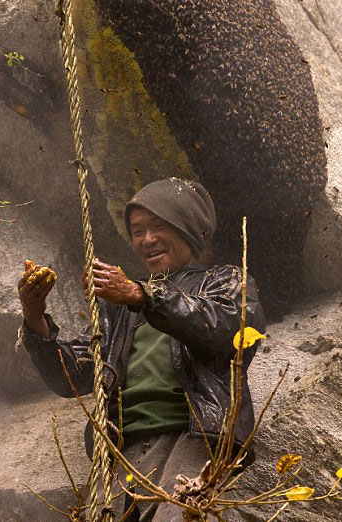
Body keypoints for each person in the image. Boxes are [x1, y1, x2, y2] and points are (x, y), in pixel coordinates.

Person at [17, 177, 265, 522]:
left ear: (188, 229)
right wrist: (35, 319)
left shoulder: (225, 280)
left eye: (159, 226)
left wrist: (141, 295)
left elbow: (225, 327)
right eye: (137, 231)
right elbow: (72, 376)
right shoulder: (118, 309)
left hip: (193, 442)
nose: (146, 240)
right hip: (121, 454)